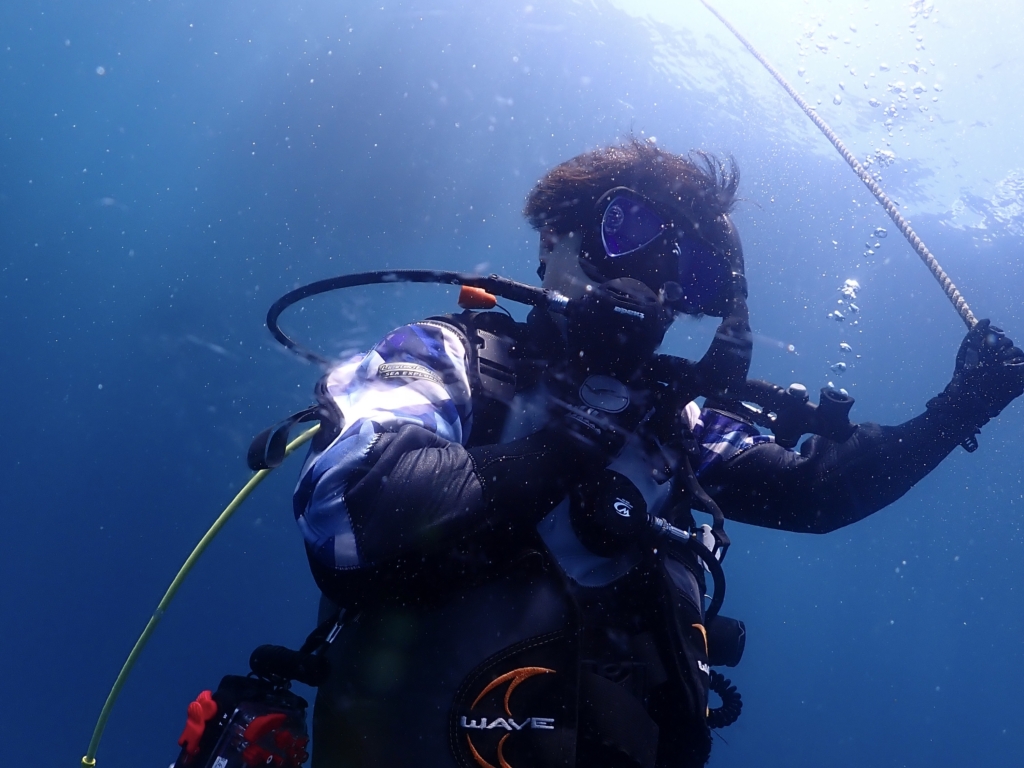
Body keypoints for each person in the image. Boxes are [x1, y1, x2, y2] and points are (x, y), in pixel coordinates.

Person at [289, 139, 1024, 768]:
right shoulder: (456, 355)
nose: (659, 282)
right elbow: (355, 507)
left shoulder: (676, 422)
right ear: (553, 238)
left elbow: (818, 492)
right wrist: (574, 440)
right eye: (628, 230)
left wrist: (959, 405)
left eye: (693, 269)